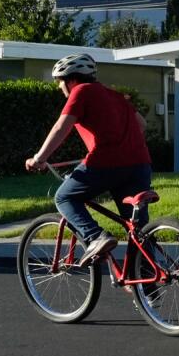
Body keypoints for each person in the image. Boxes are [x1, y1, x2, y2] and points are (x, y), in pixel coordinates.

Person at [25, 53, 153, 268]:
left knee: (64, 197)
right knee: (137, 228)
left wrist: (39, 158)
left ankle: (95, 237)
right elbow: (141, 125)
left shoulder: (81, 91)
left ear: (71, 80)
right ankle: (147, 286)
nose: (59, 87)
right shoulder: (115, 95)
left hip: (105, 163)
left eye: (60, 81)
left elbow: (61, 127)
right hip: (140, 165)